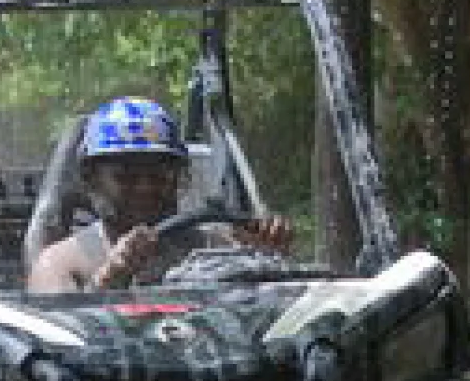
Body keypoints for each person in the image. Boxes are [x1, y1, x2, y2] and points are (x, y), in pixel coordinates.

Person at [27, 96, 292, 293]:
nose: (145, 187)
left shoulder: (217, 248)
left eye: (159, 175)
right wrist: (109, 279)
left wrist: (268, 260)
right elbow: (59, 342)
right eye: (126, 176)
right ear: (91, 179)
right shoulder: (60, 265)